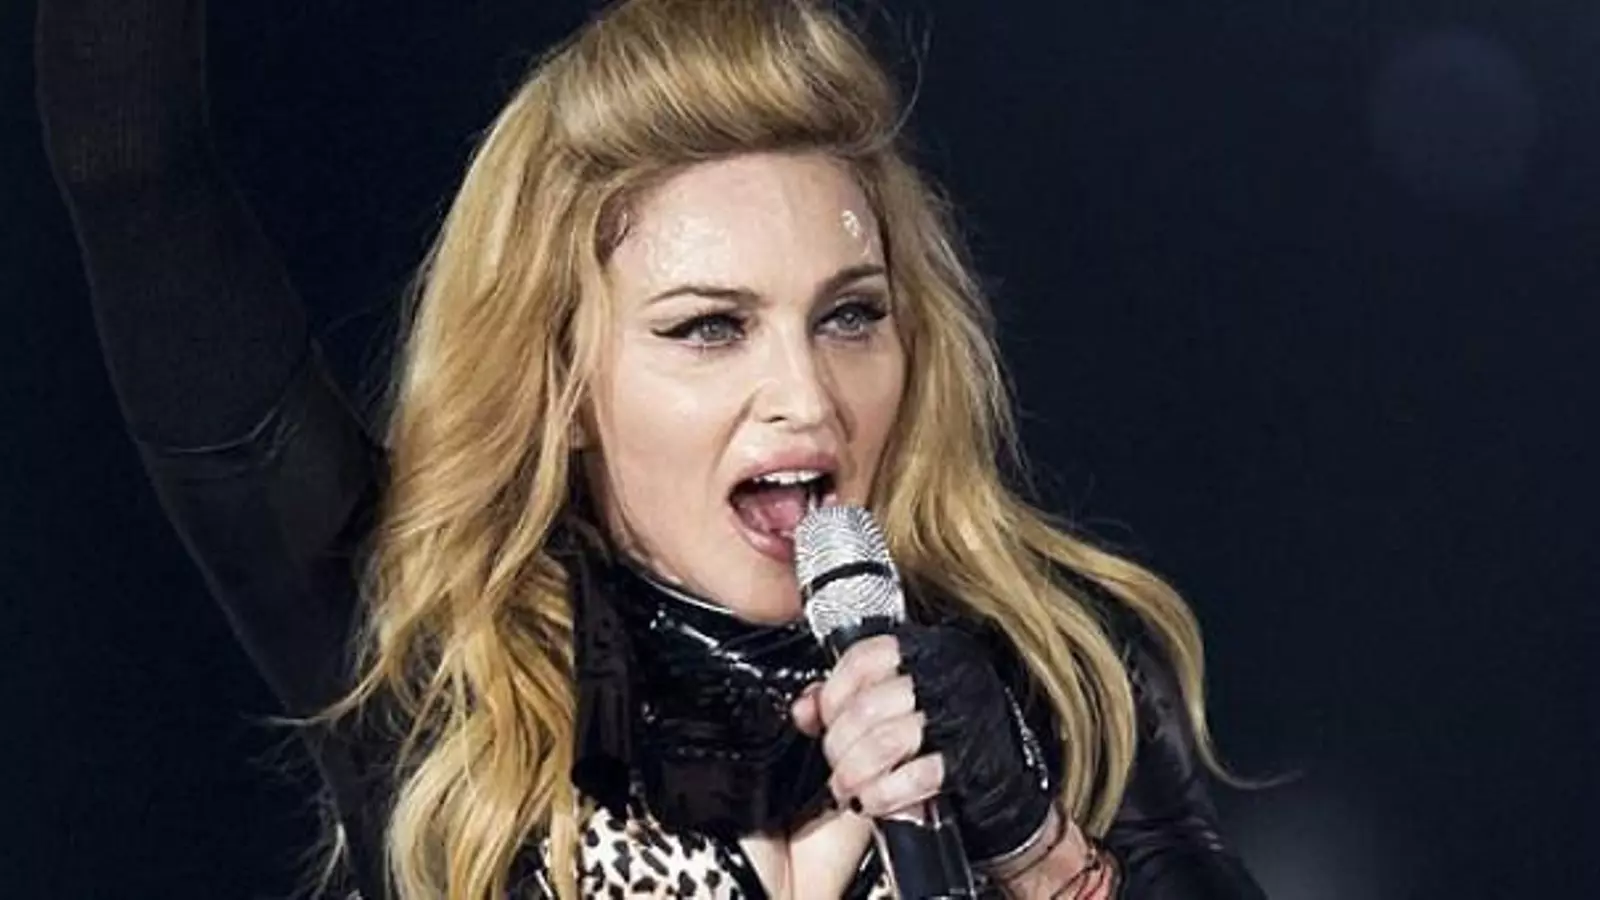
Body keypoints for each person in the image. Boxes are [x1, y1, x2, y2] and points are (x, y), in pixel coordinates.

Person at [36, 0, 1269, 897]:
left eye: (848, 315)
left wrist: (1033, 850)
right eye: (709, 328)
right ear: (564, 380)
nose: (807, 397)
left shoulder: (1056, 676)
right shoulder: (445, 676)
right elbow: (131, 164)